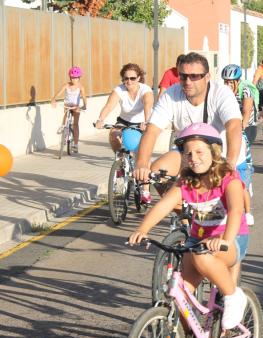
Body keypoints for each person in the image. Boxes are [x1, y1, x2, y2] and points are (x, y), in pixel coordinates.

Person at [133, 51, 246, 284]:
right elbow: (152, 131)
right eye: (183, 76)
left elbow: (234, 127)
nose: (188, 81)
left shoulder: (221, 93)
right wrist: (142, 165)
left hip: (224, 158)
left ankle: (230, 291)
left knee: (233, 219)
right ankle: (185, 215)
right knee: (157, 169)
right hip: (191, 155)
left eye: (195, 76)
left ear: (207, 77)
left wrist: (230, 164)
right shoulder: (172, 95)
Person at [127, 122, 248, 331]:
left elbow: (237, 211)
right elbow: (164, 205)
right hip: (198, 241)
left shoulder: (229, 179)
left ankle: (233, 295)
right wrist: (142, 230)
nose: (193, 158)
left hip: (230, 240)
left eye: (199, 151)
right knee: (180, 298)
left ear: (214, 152)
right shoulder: (186, 182)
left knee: (202, 256)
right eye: (188, 153)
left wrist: (225, 241)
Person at [95, 63, 154, 202]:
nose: (129, 82)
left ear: (139, 78)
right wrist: (101, 119)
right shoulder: (119, 90)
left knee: (143, 154)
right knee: (114, 134)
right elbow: (109, 106)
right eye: (125, 78)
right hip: (124, 121)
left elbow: (148, 105)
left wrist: (146, 122)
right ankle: (121, 162)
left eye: (132, 78)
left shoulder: (145, 90)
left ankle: (145, 190)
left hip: (141, 122)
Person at [222, 64, 256, 226]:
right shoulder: (222, 92)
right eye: (226, 81)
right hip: (229, 127)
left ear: (237, 81)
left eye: (231, 82)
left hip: (247, 126)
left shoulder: (246, 90)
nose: (228, 84)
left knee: (243, 164)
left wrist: (240, 128)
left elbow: (247, 111)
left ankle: (247, 182)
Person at [51, 66, 87, 154]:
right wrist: (53, 99)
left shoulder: (81, 87)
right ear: (70, 77)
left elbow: (84, 97)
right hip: (67, 105)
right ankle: (63, 128)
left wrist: (84, 105)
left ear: (79, 78)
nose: (74, 80)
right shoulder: (66, 85)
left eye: (76, 78)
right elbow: (59, 93)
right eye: (72, 78)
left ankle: (75, 144)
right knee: (65, 116)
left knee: (75, 124)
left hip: (75, 106)